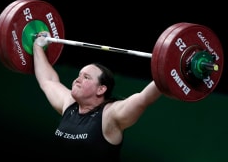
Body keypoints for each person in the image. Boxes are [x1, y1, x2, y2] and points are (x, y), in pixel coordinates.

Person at [33, 31, 162, 161]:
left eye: (86, 77)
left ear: (101, 89)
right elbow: (48, 81)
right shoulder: (69, 104)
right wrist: (38, 46)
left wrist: (167, 70)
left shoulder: (110, 115)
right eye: (79, 75)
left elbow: (143, 98)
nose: (78, 79)